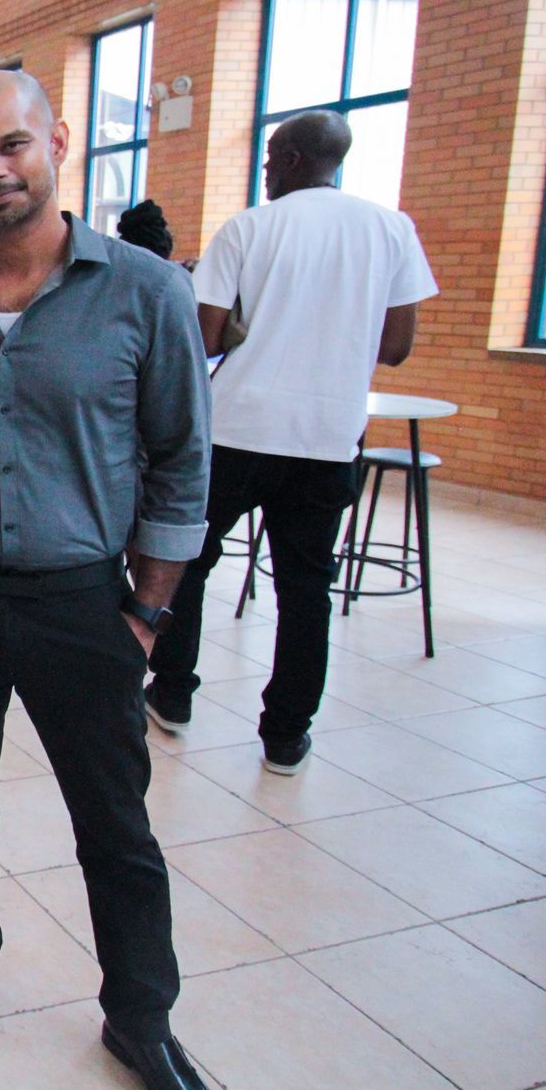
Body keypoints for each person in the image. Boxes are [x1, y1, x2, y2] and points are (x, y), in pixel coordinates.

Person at [0, 71, 213, 1090]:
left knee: (114, 819)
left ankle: (140, 1017)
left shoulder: (145, 292)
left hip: (80, 599)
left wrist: (147, 610)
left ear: (58, 141)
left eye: (11, 145)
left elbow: (180, 459)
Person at [143, 111, 438, 774]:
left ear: (298, 159)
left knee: (189, 564)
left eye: (273, 155)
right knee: (306, 589)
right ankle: (285, 735)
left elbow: (205, 339)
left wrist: (256, 325)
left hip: (237, 431)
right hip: (328, 438)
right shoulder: (392, 229)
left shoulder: (249, 227)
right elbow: (396, 346)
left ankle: (172, 693)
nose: (266, 167)